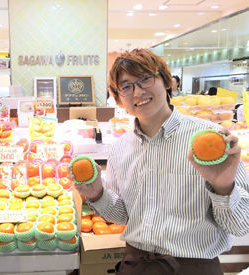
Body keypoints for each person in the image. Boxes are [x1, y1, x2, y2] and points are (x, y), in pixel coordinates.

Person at [73, 49, 248, 275]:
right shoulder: (120, 147)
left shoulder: (211, 141)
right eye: (126, 86)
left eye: (145, 78)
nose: (138, 92)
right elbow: (123, 216)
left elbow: (241, 225)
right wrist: (97, 193)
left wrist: (224, 188)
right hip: (135, 265)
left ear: (166, 82)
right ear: (118, 98)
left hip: (194, 268)